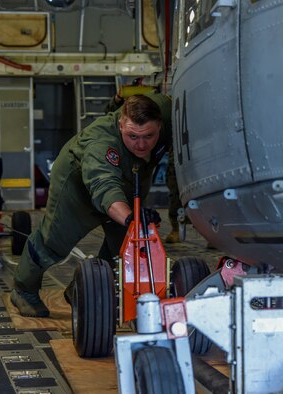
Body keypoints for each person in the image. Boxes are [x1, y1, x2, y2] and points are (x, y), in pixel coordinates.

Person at [11, 94, 172, 317]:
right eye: (132, 136)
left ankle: (81, 288)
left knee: (126, 245)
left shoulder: (166, 112)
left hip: (128, 177)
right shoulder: (101, 145)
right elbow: (103, 185)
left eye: (149, 136)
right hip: (78, 185)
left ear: (161, 125)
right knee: (52, 242)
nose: (142, 144)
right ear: (120, 124)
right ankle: (23, 290)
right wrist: (131, 218)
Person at [107, 87, 182, 244]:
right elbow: (112, 113)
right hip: (144, 151)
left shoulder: (165, 111)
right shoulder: (136, 97)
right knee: (141, 187)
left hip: (165, 139)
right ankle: (140, 228)